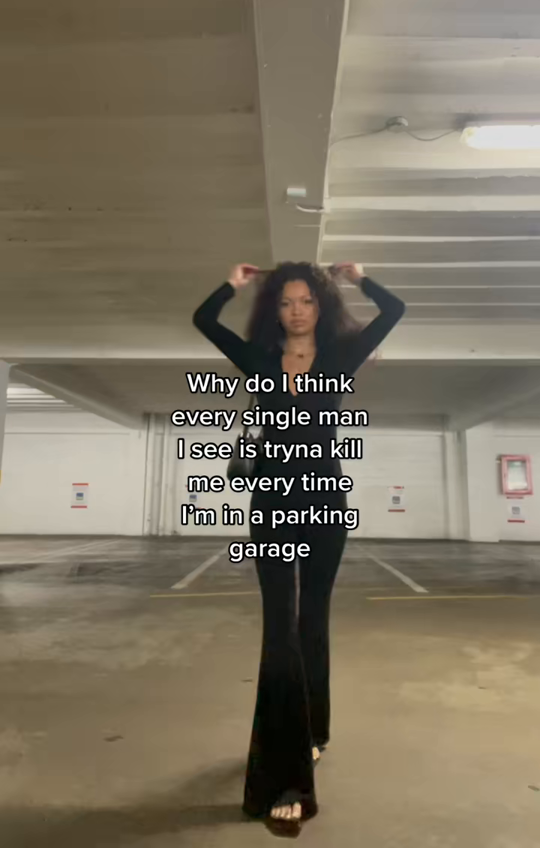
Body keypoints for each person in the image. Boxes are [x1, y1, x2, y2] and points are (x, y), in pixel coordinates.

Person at [192, 261, 405, 836]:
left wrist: (359, 277)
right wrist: (233, 283)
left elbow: (395, 311)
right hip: (271, 504)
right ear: (275, 309)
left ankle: (315, 731)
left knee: (312, 625)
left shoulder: (340, 358)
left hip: (325, 507)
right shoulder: (260, 362)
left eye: (306, 300)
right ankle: (287, 780)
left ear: (320, 305)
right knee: (280, 632)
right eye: (286, 301)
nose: (296, 311)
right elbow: (204, 320)